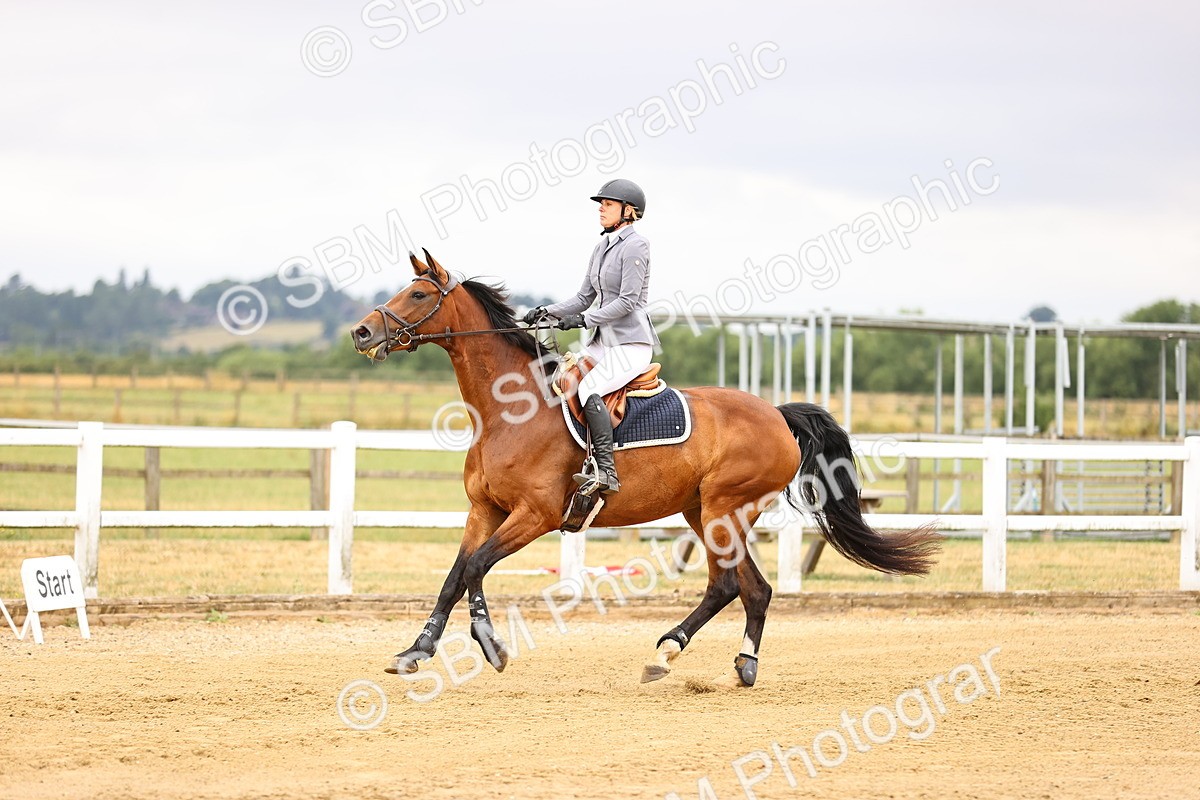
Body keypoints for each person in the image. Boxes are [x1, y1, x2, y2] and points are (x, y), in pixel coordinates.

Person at [522, 178, 660, 495]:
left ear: (629, 211)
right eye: (601, 204)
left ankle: (607, 472)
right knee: (561, 381)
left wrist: (583, 320)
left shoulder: (637, 245)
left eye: (608, 204)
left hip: (630, 344)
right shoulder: (602, 247)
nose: (601, 209)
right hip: (602, 343)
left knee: (589, 389)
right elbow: (584, 297)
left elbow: (626, 301)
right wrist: (547, 311)